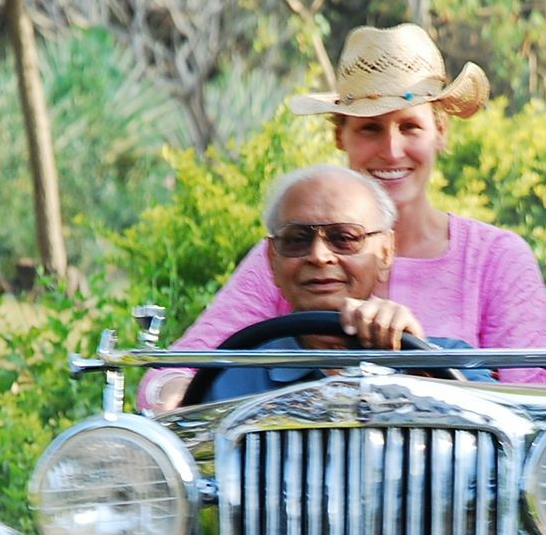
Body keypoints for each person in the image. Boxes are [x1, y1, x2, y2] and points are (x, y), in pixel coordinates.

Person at [142, 23, 546, 410]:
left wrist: (428, 357)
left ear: (440, 133)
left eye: (409, 127)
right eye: (370, 129)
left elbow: (539, 402)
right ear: (340, 135)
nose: (392, 151)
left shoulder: (496, 258)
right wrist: (179, 398)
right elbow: (179, 371)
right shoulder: (296, 251)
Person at [182, 164, 489, 406]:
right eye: (297, 239)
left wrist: (420, 364)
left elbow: (503, 444)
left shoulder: (453, 359)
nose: (319, 256)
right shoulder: (232, 375)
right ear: (272, 259)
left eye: (344, 237)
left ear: (385, 253)